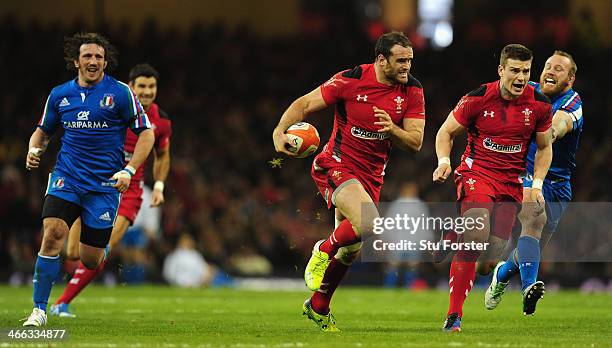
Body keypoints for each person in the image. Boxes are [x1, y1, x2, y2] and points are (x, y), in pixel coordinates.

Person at [272, 31, 426, 332]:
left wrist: (392, 130)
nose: (407, 66)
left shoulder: (413, 90)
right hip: (335, 164)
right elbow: (304, 104)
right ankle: (322, 250)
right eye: (401, 60)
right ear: (381, 60)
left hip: (371, 176)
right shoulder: (350, 80)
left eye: (410, 60)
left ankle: (318, 306)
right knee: (369, 223)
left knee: (352, 250)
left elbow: (416, 142)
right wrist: (279, 132)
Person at [22, 33, 154, 327]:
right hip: (66, 177)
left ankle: (100, 245)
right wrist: (34, 149)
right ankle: (39, 310)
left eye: (98, 57)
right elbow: (43, 130)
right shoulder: (59, 95)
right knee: (53, 234)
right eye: (87, 56)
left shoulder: (120, 93)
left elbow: (146, 133)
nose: (93, 61)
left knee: (91, 259)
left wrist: (129, 170)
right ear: (75, 61)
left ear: (105, 62)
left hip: (104, 186)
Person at [432, 44, 553, 332]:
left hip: (511, 183)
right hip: (477, 174)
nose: (520, 77)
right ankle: (454, 316)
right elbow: (446, 131)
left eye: (525, 71)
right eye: (514, 70)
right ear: (501, 70)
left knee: (487, 265)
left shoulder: (539, 104)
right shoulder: (478, 98)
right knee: (476, 233)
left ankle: (454, 232)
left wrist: (536, 185)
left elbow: (545, 148)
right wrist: (444, 160)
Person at [49, 63, 172, 316]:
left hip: (130, 192)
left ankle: (61, 303)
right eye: (142, 87)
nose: (147, 92)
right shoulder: (115, 109)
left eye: (152, 86)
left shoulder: (162, 121)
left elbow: (163, 155)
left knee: (104, 247)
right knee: (73, 253)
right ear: (131, 87)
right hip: (94, 186)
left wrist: (159, 186)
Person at [485, 50, 583, 313]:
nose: (550, 71)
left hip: (559, 184)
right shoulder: (526, 91)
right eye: (548, 65)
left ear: (570, 79)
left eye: (559, 69)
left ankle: (502, 274)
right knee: (534, 218)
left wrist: (544, 132)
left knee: (529, 247)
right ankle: (529, 287)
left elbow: (558, 127)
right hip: (526, 175)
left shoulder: (572, 103)